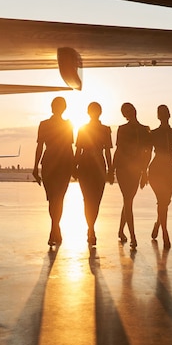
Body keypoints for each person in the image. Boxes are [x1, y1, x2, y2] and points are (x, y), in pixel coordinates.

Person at [33, 97, 74, 247]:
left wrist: (35, 167)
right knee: (55, 199)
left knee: (56, 199)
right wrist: (35, 167)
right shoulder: (45, 124)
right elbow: (40, 146)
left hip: (55, 163)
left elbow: (41, 147)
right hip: (57, 163)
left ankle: (53, 230)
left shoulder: (49, 125)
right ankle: (55, 228)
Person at [148, 104, 172, 249]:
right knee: (162, 201)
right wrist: (143, 172)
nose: (164, 115)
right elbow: (147, 153)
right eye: (161, 113)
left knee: (166, 201)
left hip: (170, 168)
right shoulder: (153, 133)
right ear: (158, 116)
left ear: (169, 115)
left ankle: (159, 223)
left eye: (165, 113)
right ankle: (165, 232)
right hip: (156, 168)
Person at [74, 102, 113, 246]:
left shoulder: (104, 130)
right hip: (89, 165)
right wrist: (74, 166)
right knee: (89, 199)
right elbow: (78, 149)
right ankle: (91, 229)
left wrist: (110, 170)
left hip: (94, 166)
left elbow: (108, 150)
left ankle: (91, 228)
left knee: (94, 200)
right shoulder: (84, 129)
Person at [112, 102, 151, 248]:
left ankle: (121, 230)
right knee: (128, 200)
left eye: (130, 109)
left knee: (128, 200)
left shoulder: (144, 130)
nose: (130, 112)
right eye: (126, 111)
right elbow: (119, 149)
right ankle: (133, 236)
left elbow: (148, 152)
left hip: (135, 169)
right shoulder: (122, 129)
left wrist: (144, 171)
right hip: (122, 169)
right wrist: (111, 169)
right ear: (125, 115)